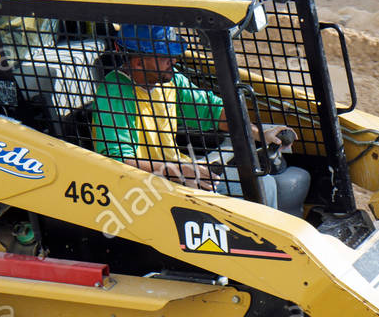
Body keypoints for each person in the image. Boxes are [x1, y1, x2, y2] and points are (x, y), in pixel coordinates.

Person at [91, 24, 308, 210]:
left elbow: (213, 111)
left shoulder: (170, 81)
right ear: (138, 63)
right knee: (260, 186)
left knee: (264, 180)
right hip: (146, 187)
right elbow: (117, 160)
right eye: (166, 55)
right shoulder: (115, 92)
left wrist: (260, 134)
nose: (174, 60)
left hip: (178, 172)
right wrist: (176, 171)